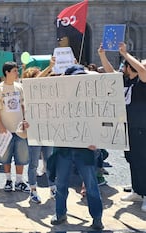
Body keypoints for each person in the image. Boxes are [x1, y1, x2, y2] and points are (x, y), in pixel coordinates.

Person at [49, 64, 104, 230]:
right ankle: (60, 214)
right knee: (61, 185)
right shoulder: (56, 98)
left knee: (91, 185)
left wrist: (98, 141)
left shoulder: (91, 97)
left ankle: (97, 218)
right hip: (64, 148)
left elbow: (99, 120)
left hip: (85, 149)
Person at [98, 42, 146, 211]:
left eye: (124, 66)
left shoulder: (142, 82)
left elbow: (142, 70)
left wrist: (126, 54)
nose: (122, 69)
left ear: (129, 66)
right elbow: (110, 74)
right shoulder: (125, 81)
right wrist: (102, 56)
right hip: (128, 127)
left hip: (142, 127)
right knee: (132, 160)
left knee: (143, 160)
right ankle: (138, 190)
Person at [22, 58, 57, 203]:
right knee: (34, 163)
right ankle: (33, 191)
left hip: (46, 129)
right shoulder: (27, 90)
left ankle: (53, 189)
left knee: (49, 161)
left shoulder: (45, 92)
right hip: (34, 130)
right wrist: (49, 67)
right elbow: (36, 82)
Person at [0, 62, 30, 193]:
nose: (16, 73)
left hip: (19, 129)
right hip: (5, 129)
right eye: (14, 70)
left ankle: (19, 180)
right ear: (7, 72)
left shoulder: (20, 87)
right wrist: (0, 125)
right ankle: (8, 180)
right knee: (5, 157)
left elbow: (24, 105)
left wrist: (25, 119)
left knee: (22, 156)